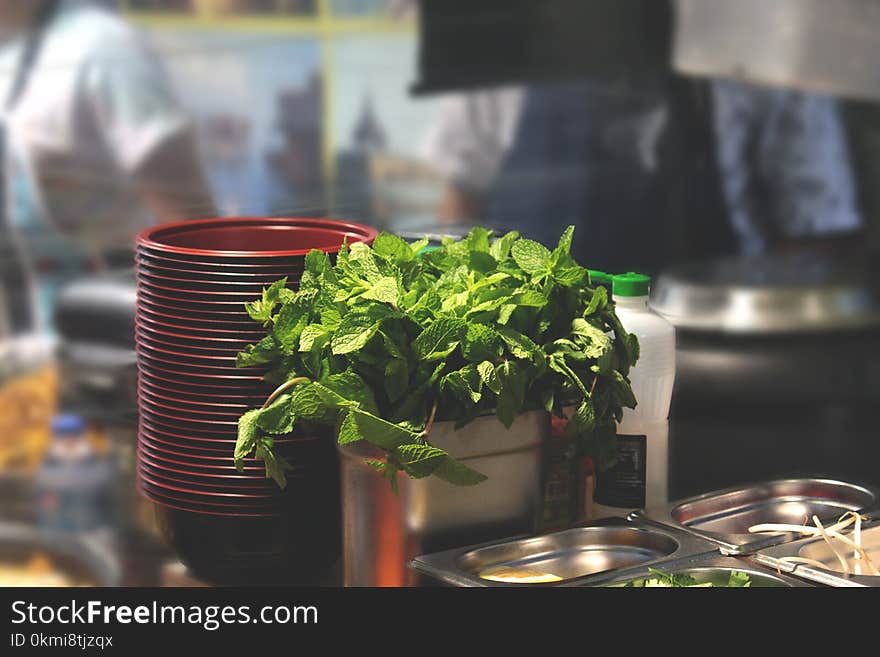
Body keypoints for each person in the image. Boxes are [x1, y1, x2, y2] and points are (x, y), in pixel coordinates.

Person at [421, 77, 864, 273]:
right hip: (526, 362)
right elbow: (461, 204)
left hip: (711, 357)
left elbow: (813, 234)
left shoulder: (763, 32)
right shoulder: (505, 32)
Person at [0, 0, 215, 334]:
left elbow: (194, 228)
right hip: (43, 337)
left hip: (123, 331)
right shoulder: (11, 55)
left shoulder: (101, 47)